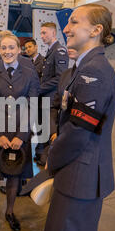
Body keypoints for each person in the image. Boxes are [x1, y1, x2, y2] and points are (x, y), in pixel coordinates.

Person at [37, 4, 115, 231]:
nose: (66, 27)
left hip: (79, 171)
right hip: (84, 170)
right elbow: (71, 116)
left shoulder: (93, 71)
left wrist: (50, 161)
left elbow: (79, 130)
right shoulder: (80, 67)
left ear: (96, 30)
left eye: (73, 22)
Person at [0, 33, 40, 231]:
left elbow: (32, 105)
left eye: (11, 47)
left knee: (14, 177)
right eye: (3, 48)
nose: (7, 51)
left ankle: (10, 212)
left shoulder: (30, 73)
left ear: (19, 49)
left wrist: (22, 136)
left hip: (18, 134)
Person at [37, 48, 79, 231]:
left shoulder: (94, 75)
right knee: (54, 207)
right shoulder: (66, 75)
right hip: (58, 141)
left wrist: (55, 150)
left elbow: (81, 129)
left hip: (72, 153)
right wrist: (53, 130)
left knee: (67, 215)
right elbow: (55, 106)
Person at [37, 22, 69, 166]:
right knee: (44, 131)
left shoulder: (59, 50)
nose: (42, 36)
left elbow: (60, 77)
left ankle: (52, 164)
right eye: (41, 33)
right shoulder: (51, 51)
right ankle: (44, 160)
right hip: (45, 98)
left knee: (52, 134)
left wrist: (39, 88)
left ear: (53, 33)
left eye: (45, 33)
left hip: (51, 100)